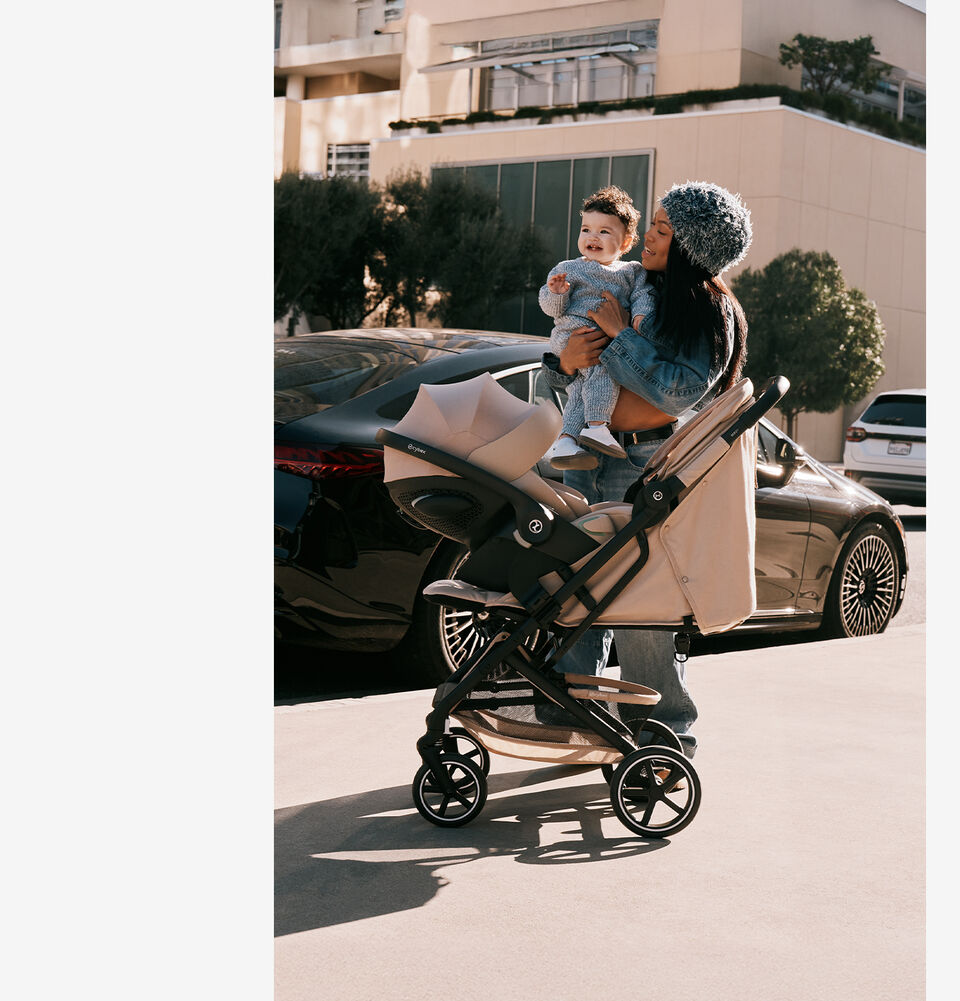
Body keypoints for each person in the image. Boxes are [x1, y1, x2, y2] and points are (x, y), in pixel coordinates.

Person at [540, 180, 752, 757]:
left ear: (692, 247)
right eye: (653, 225)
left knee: (641, 596)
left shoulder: (708, 311)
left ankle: (666, 728)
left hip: (647, 461)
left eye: (662, 230)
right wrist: (564, 360)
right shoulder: (633, 283)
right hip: (591, 447)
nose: (649, 239)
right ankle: (569, 711)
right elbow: (567, 372)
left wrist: (614, 339)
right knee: (577, 579)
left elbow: (676, 391)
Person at [539, 186, 655, 470]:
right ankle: (597, 426)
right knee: (604, 369)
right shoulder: (567, 268)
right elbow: (552, 309)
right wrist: (556, 293)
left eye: (604, 231)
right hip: (572, 336)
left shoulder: (632, 272)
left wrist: (640, 318)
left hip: (604, 337)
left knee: (580, 388)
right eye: (586, 229)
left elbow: (644, 296)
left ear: (626, 243)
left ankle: (566, 440)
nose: (593, 237)